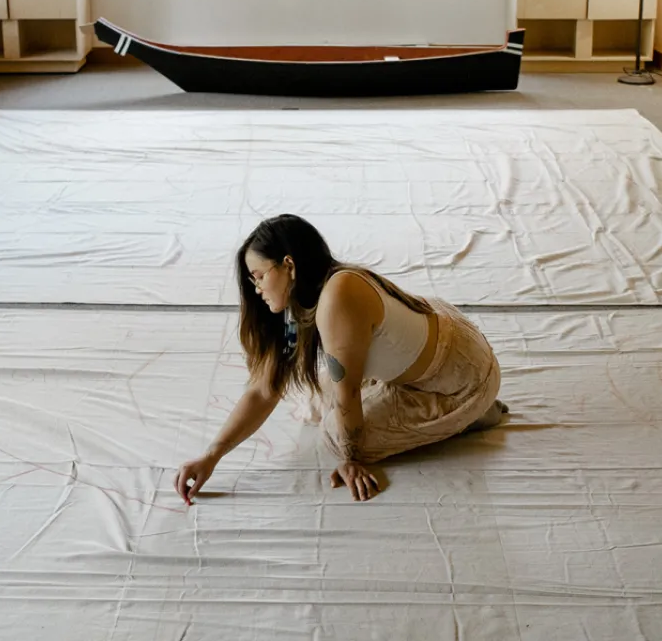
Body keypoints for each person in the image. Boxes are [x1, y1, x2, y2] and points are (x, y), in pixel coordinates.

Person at [174, 214, 507, 504]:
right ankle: (452, 409)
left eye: (259, 276)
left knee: (334, 432)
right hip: (438, 340)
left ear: (288, 265)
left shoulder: (338, 295)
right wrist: (211, 456)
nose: (257, 288)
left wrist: (352, 457)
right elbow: (263, 391)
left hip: (460, 375)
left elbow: (348, 395)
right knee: (318, 397)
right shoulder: (303, 302)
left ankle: (471, 411)